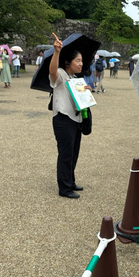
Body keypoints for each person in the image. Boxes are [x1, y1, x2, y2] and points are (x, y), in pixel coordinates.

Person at [49, 32, 91, 199]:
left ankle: (70, 181)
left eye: (81, 61)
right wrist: (57, 52)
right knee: (65, 153)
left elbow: (81, 101)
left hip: (75, 119)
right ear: (68, 63)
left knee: (73, 152)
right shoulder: (60, 74)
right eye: (78, 61)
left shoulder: (75, 78)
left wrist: (87, 91)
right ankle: (64, 188)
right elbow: (52, 71)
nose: (81, 64)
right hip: (63, 119)